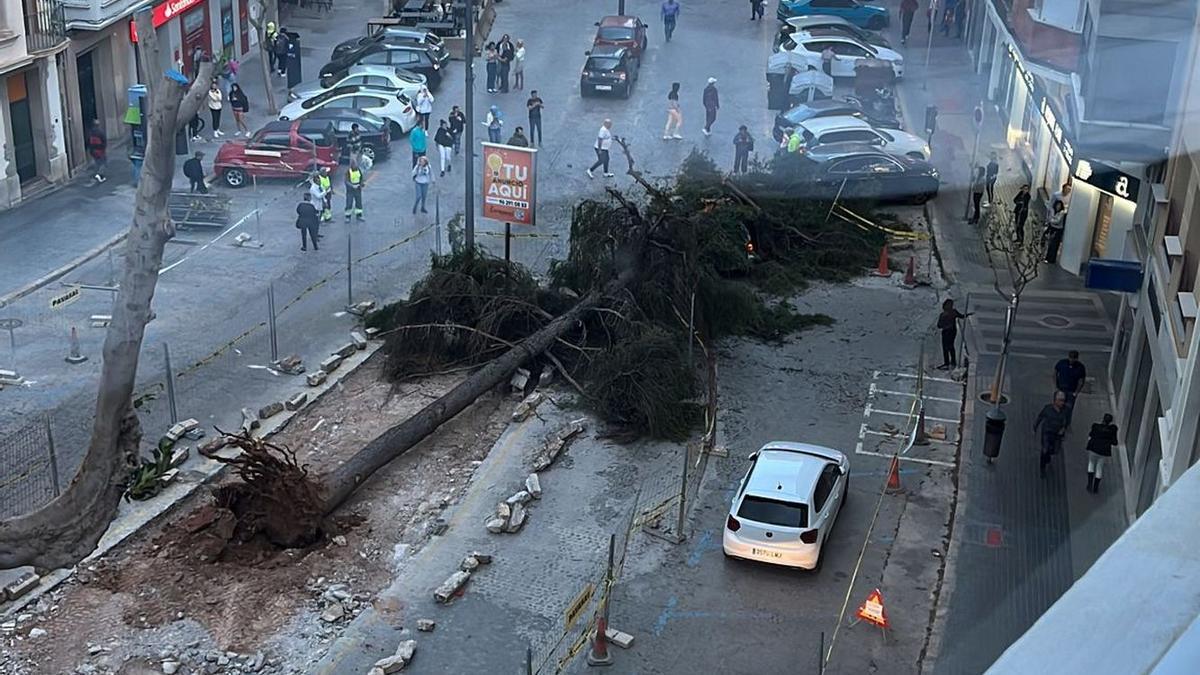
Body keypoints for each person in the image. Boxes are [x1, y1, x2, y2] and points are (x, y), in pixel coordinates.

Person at [1034, 391, 1070, 477]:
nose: (1062, 403)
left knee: (1054, 451)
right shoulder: (1048, 409)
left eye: (1063, 400)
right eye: (1060, 400)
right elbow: (1040, 417)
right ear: (1055, 400)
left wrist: (1064, 429)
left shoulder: (1066, 410)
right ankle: (1042, 468)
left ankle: (1048, 456)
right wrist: (1035, 426)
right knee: (1045, 449)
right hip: (1047, 432)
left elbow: (1067, 421)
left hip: (1057, 435)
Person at [1085, 414, 1117, 493]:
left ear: (1103, 419)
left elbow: (1091, 435)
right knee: (1099, 468)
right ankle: (1095, 488)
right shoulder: (1112, 430)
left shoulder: (1095, 426)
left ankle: (1089, 484)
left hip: (1093, 448)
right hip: (1104, 451)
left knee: (1091, 464)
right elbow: (1115, 442)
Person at [1053, 350, 1087, 426]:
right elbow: (1055, 373)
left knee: (1068, 409)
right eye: (1071, 358)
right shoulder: (1062, 363)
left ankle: (1066, 425)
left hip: (1071, 391)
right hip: (1061, 388)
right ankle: (1055, 422)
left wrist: (1076, 392)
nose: (1072, 360)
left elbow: (1081, 381)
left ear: (1077, 358)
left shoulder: (1080, 367)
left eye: (1074, 358)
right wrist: (1056, 386)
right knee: (1057, 406)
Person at [85, 119, 107, 183]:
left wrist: (90, 149)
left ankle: (97, 173)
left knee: (97, 162)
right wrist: (103, 148)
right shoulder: (101, 132)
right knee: (103, 163)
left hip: (93, 150)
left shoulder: (90, 132)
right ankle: (99, 175)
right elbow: (104, 141)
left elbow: (88, 141)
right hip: (100, 150)